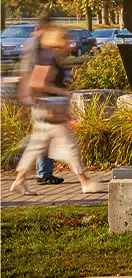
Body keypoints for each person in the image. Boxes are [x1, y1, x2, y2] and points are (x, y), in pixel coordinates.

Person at [9, 27, 97, 196]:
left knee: (36, 146)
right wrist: (61, 92)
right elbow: (37, 83)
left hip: (48, 109)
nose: (70, 42)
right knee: (70, 145)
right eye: (67, 39)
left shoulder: (51, 57)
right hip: (51, 110)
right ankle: (84, 181)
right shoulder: (49, 57)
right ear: (59, 41)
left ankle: (20, 180)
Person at [16, 14, 62, 185]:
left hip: (39, 95)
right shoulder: (37, 45)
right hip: (40, 96)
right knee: (43, 136)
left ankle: (42, 172)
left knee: (43, 136)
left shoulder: (34, 43)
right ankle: (43, 173)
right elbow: (33, 71)